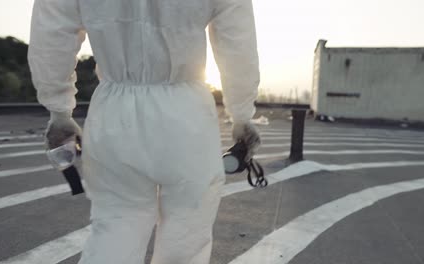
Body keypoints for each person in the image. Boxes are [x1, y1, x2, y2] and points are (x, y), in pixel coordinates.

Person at [28, 0, 260, 263]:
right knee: (187, 229)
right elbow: (237, 43)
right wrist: (241, 114)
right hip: (188, 115)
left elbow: (52, 33)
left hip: (114, 111)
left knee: (116, 224)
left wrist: (59, 110)